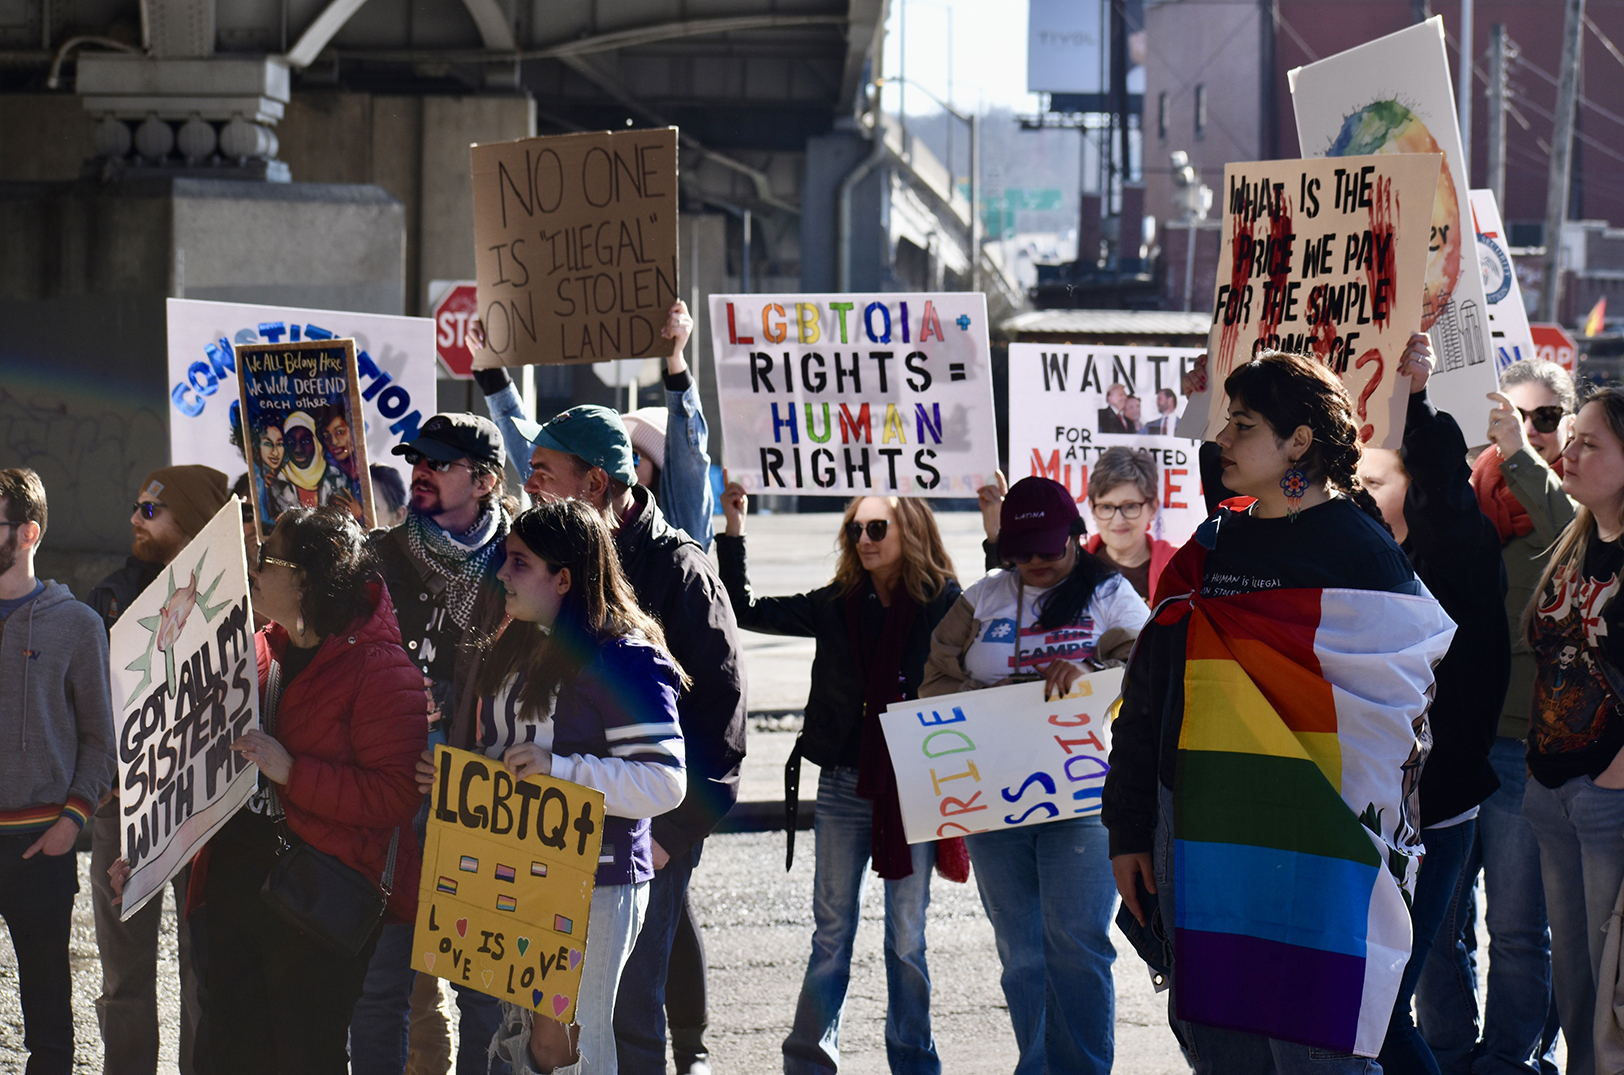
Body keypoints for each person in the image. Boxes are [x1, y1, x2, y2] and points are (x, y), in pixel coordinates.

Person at [1103, 351, 1453, 1073]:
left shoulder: (1361, 550)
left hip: (1319, 841)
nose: (1222, 439)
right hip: (1203, 829)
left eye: (1243, 424)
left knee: (1314, 1038)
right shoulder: (1209, 549)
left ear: (1298, 442)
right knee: (1223, 1038)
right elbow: (1147, 699)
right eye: (1227, 422)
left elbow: (1403, 692)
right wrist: (1127, 824)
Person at [509, 404, 746, 1075]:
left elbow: (722, 722)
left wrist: (674, 834)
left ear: (591, 484)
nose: (529, 483)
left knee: (626, 1015)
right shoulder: (550, 566)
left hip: (647, 837)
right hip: (559, 835)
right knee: (555, 1022)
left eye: (543, 470)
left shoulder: (680, 569)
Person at [716, 483, 961, 1075]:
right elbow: (742, 608)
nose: (864, 539)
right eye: (856, 529)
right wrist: (735, 527)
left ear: (912, 533)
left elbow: (1004, 606)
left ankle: (912, 1060)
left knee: (908, 939)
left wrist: (993, 521)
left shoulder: (944, 603)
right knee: (831, 934)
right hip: (843, 783)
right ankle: (809, 1060)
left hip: (914, 786)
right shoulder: (836, 602)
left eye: (877, 528)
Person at [920, 476, 1148, 1075]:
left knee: (1077, 945)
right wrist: (990, 697)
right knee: (1022, 954)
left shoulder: (1109, 594)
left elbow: (1150, 668)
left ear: (1076, 537)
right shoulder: (981, 598)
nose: (1034, 564)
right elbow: (934, 684)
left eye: (1047, 550)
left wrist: (1092, 668)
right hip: (995, 801)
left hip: (1085, 799)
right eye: (1019, 554)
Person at [452, 499, 688, 1074]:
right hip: (514, 864)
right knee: (528, 1035)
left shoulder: (625, 657)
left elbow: (665, 783)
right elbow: (509, 755)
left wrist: (563, 770)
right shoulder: (515, 644)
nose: (502, 573)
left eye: (518, 563)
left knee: (567, 1042)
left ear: (564, 578)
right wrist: (460, 778)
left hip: (596, 878)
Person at [186, 506, 424, 1073]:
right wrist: (147, 853)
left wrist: (293, 773)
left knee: (303, 1055)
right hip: (234, 888)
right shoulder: (257, 647)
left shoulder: (381, 668)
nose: (254, 568)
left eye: (268, 558)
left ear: (308, 578)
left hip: (317, 901)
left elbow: (395, 797)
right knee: (225, 1053)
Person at [1353, 335, 1510, 1075]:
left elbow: (1448, 494)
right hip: (1368, 812)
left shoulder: (1459, 552)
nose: (1359, 487)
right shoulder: (1362, 561)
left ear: (1416, 485)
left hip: (1435, 814)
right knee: (1361, 1012)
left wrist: (1412, 398)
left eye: (1376, 476)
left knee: (1381, 1015)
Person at [1417, 358, 1577, 1074]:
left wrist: (1519, 454)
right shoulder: (1470, 500)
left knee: (1517, 925)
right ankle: (1447, 1053)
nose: (1527, 429)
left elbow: (1571, 539)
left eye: (1545, 418)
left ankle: (1510, 1061)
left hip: (1522, 741)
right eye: (1511, 416)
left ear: (1566, 427)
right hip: (1453, 737)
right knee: (1438, 920)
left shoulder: (1574, 501)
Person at [359, 412, 513, 1075]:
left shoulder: (525, 561)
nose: (420, 470)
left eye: (439, 463)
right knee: (380, 976)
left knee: (483, 984)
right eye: (417, 459)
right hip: (392, 780)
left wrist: (457, 715)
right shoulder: (379, 553)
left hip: (481, 788)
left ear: (484, 481)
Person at [87, 465, 230, 1075]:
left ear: (192, 522)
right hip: (122, 810)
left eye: (151, 510)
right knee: (122, 972)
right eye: (138, 505)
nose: (134, 518)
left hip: (202, 811)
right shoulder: (111, 594)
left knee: (205, 970)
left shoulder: (233, 598)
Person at [1521, 386, 1624, 1075]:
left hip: (1607, 795)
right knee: (1573, 986)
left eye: (1590, 441)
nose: (1569, 449)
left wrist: (1614, 774)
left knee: (1610, 983)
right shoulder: (1577, 535)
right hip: (1549, 787)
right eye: (1571, 437)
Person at [0, 467, 116, 1075]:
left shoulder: (78, 625)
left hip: (41, 845)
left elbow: (101, 739)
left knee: (47, 1019)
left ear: (28, 532)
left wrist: (73, 821)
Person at [477, 300, 716, 551]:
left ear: (596, 482)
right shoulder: (570, 512)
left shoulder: (675, 542)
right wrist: (491, 371)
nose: (531, 485)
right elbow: (527, 446)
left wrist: (675, 359)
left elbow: (690, 459)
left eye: (634, 456)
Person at [1084, 447, 1178, 602]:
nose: (1118, 521)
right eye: (1106, 507)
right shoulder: (1072, 567)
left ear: (1153, 508)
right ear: (1092, 508)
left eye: (1130, 506)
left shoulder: (1180, 568)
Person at [270, 411, 352, 516]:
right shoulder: (277, 484)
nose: (298, 450)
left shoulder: (338, 478)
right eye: (291, 442)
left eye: (305, 441)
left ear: (316, 443)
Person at [323, 409, 360, 485]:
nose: (334, 442)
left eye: (340, 432)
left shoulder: (378, 477)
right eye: (327, 436)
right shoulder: (328, 481)